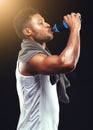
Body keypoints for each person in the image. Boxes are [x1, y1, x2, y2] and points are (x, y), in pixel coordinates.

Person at [13, 6, 81, 130]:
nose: (47, 24)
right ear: (28, 31)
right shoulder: (29, 58)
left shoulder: (42, 56)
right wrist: (75, 29)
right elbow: (67, 62)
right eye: (40, 23)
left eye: (45, 21)